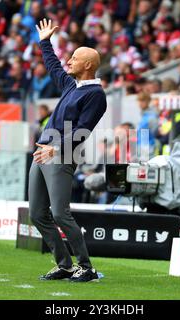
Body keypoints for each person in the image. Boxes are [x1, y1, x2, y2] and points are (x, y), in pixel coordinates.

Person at [29, 19, 107, 282]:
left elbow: (83, 130)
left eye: (74, 58)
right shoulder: (71, 85)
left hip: (60, 154)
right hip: (43, 152)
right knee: (37, 214)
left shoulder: (96, 94)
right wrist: (44, 41)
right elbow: (52, 65)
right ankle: (64, 265)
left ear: (88, 65)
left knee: (61, 213)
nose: (69, 61)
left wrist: (55, 149)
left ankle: (86, 267)